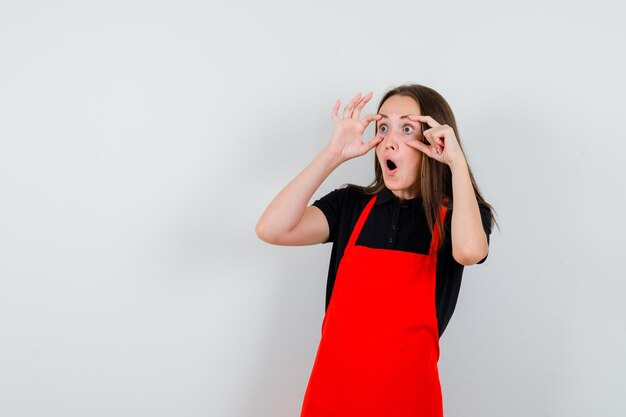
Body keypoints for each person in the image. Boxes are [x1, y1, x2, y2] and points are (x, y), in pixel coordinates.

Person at [255, 84, 496, 417]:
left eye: (407, 128)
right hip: (332, 397)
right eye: (383, 127)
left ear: (435, 140)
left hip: (408, 403)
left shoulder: (458, 216)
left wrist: (455, 164)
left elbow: (469, 252)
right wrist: (332, 155)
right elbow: (272, 229)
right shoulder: (351, 206)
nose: (389, 140)